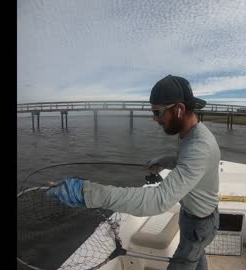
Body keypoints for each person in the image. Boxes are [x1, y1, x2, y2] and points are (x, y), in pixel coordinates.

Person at [46, 74, 221, 270]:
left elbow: (158, 200)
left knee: (183, 263)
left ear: (180, 109)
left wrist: (87, 193)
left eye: (158, 112)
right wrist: (164, 161)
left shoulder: (200, 146)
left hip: (200, 224)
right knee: (196, 255)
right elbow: (187, 162)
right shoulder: (190, 134)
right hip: (195, 217)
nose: (154, 119)